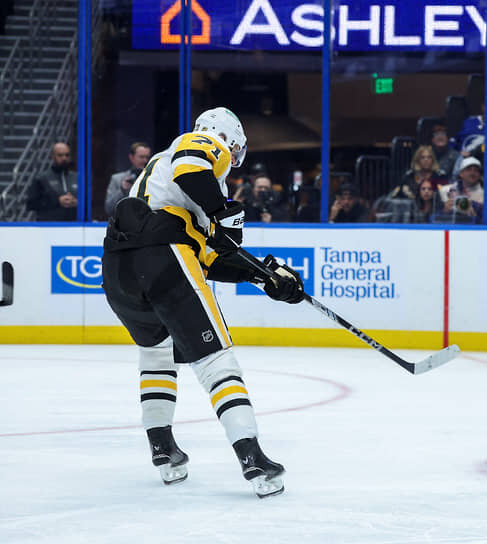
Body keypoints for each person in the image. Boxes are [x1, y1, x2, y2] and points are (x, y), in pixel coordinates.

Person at [100, 107, 302, 498]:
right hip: (163, 252)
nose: (233, 163)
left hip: (117, 266)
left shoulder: (156, 178)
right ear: (229, 139)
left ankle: (163, 449)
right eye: (237, 152)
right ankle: (253, 457)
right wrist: (224, 210)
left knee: (156, 355)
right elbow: (192, 169)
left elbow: (208, 258)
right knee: (216, 358)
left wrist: (264, 275)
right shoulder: (203, 144)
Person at [27, 141, 78, 221]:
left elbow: (90, 203)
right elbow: (31, 204)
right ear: (53, 156)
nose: (64, 158)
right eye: (60, 155)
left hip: (74, 226)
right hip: (49, 227)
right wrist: (57, 201)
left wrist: (78, 202)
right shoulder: (42, 179)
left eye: (67, 155)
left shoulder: (77, 178)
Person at [105, 142, 151, 216]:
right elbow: (109, 209)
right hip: (125, 224)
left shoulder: (153, 179)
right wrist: (122, 190)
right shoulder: (117, 179)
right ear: (131, 157)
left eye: (147, 157)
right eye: (141, 157)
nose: (145, 161)